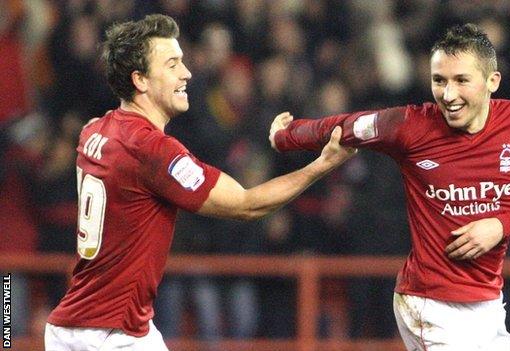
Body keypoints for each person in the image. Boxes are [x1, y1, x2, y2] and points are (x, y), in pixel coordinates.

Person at [44, 14, 355, 351]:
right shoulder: (151, 149)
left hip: (71, 325)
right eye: (173, 64)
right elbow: (247, 205)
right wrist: (322, 164)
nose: (186, 73)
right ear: (141, 80)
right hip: (112, 335)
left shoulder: (96, 130)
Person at [269, 23, 510, 350]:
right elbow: (345, 127)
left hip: (488, 303)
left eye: (461, 80)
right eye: (439, 80)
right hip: (430, 304)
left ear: (492, 81)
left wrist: (501, 225)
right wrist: (287, 136)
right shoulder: (410, 125)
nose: (448, 95)